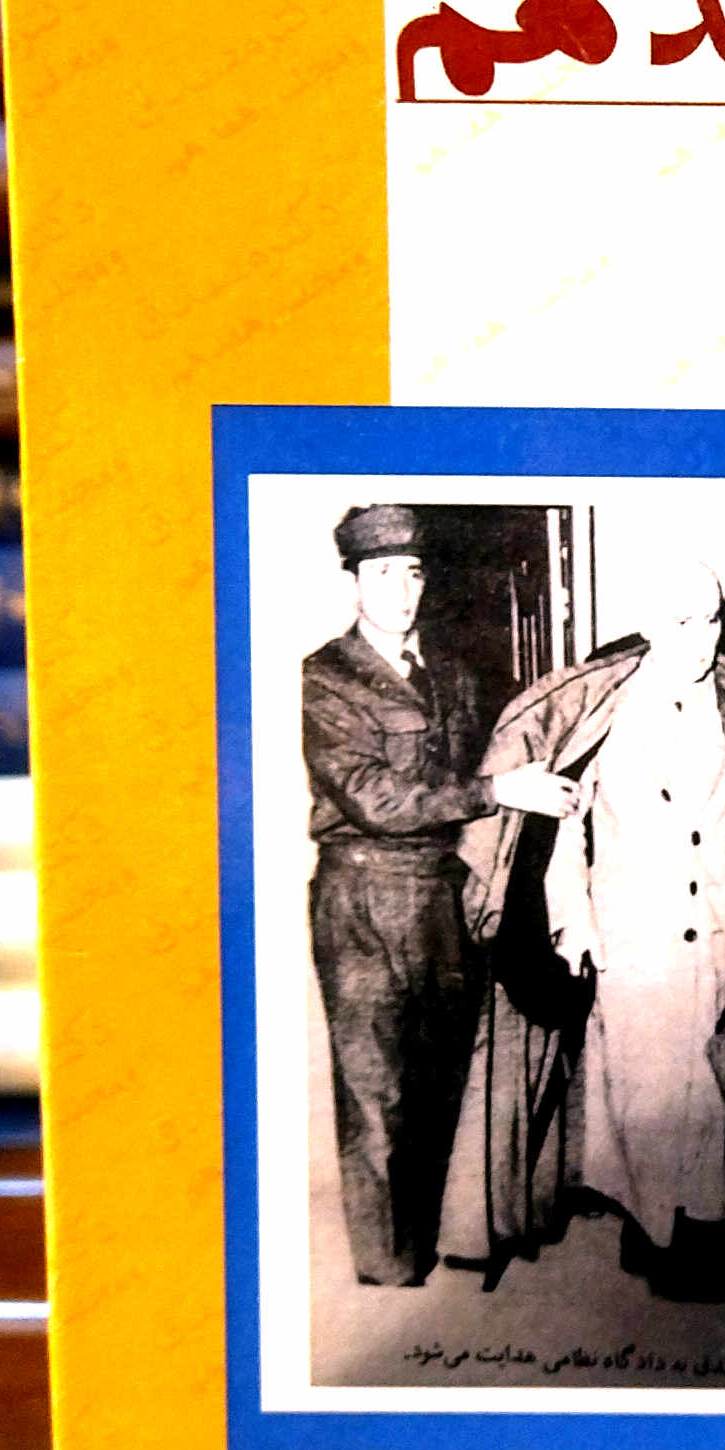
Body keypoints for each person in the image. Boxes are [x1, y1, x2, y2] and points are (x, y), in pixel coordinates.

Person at [445, 562, 725, 1299]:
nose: (701, 640)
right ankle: (650, 1222)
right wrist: (574, 923)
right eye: (681, 623)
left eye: (711, 621)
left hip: (722, 933)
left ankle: (692, 1238)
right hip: (631, 940)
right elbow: (563, 830)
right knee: (639, 1094)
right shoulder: (602, 708)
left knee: (710, 1092)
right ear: (646, 625)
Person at [301, 503, 488, 1287]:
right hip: (363, 897)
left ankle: (424, 1242)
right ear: (353, 582)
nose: (402, 591)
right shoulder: (325, 677)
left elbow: (469, 769)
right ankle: (387, 1274)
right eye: (383, 574)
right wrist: (491, 793)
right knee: (375, 1089)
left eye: (413, 574)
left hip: (440, 893)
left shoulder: (453, 675)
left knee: (439, 1080)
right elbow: (376, 798)